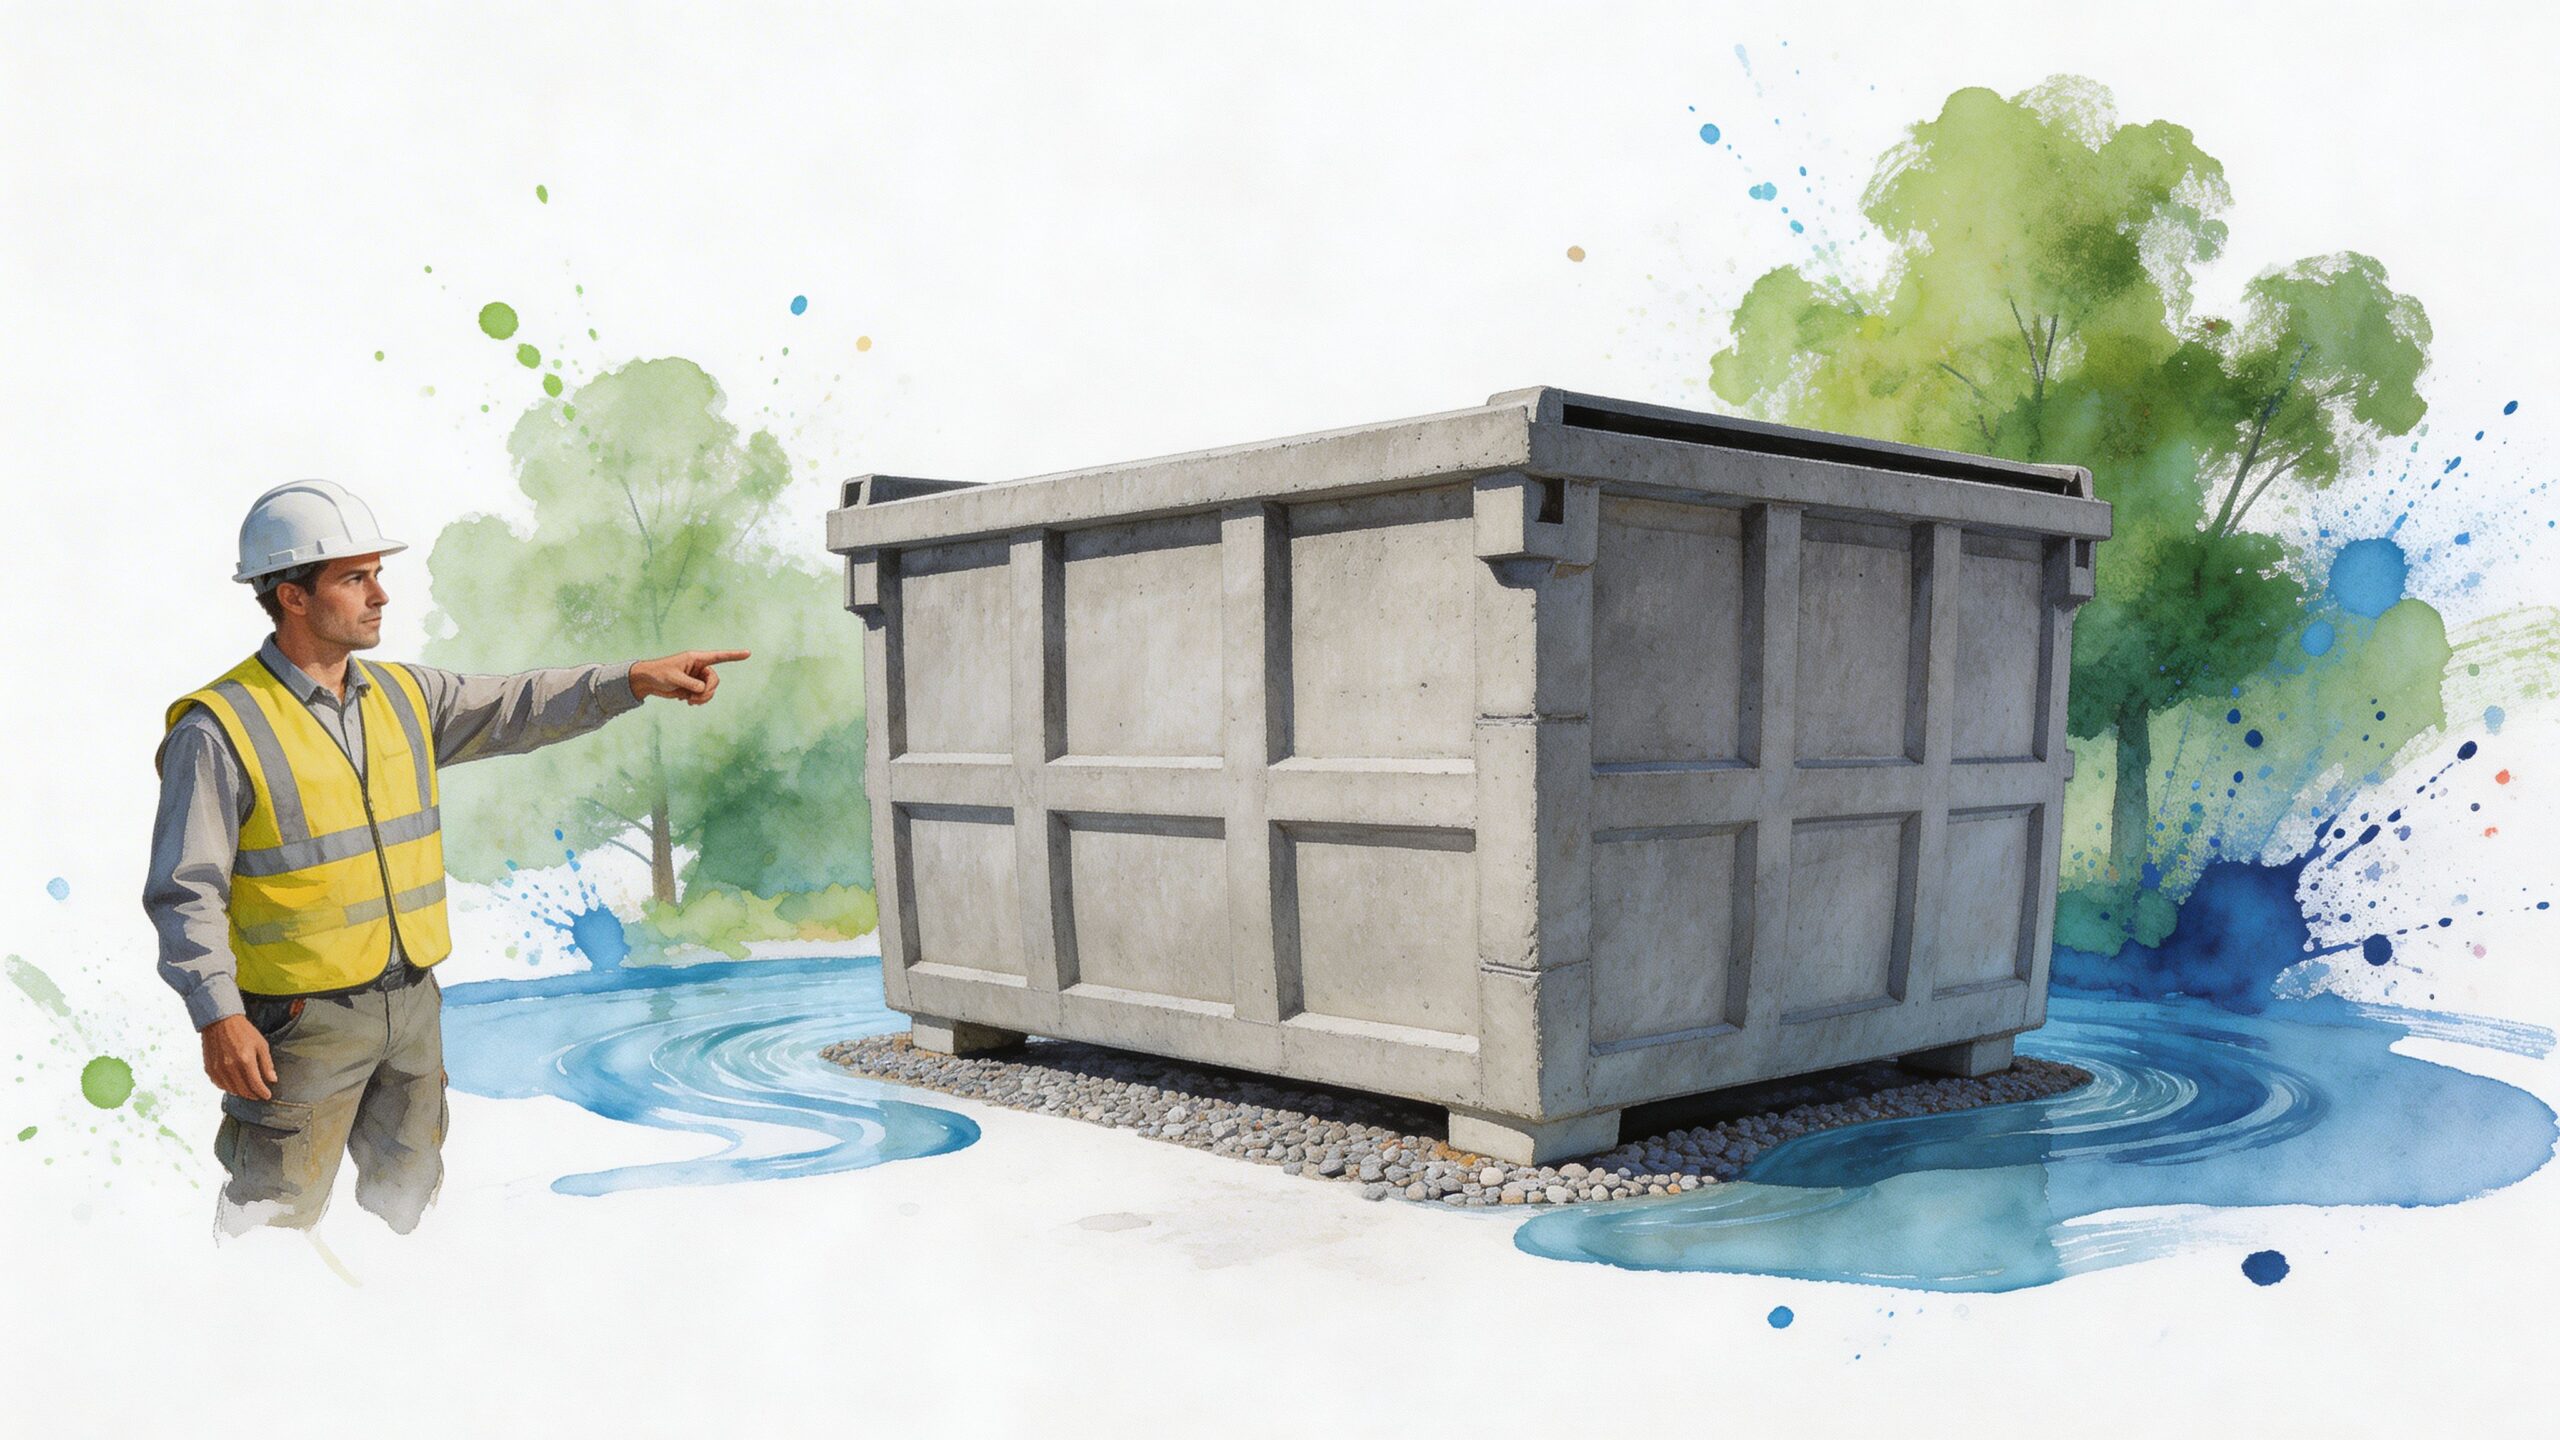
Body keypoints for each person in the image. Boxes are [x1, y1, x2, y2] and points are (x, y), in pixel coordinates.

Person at [145, 479, 748, 1236]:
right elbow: (184, 892)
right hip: (299, 1025)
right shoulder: (219, 727)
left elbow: (520, 705)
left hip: (415, 1008)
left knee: (409, 1207)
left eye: (378, 574)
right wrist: (219, 1017)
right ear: (291, 597)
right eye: (354, 578)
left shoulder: (406, 696)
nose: (380, 595)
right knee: (273, 1215)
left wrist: (632, 681)